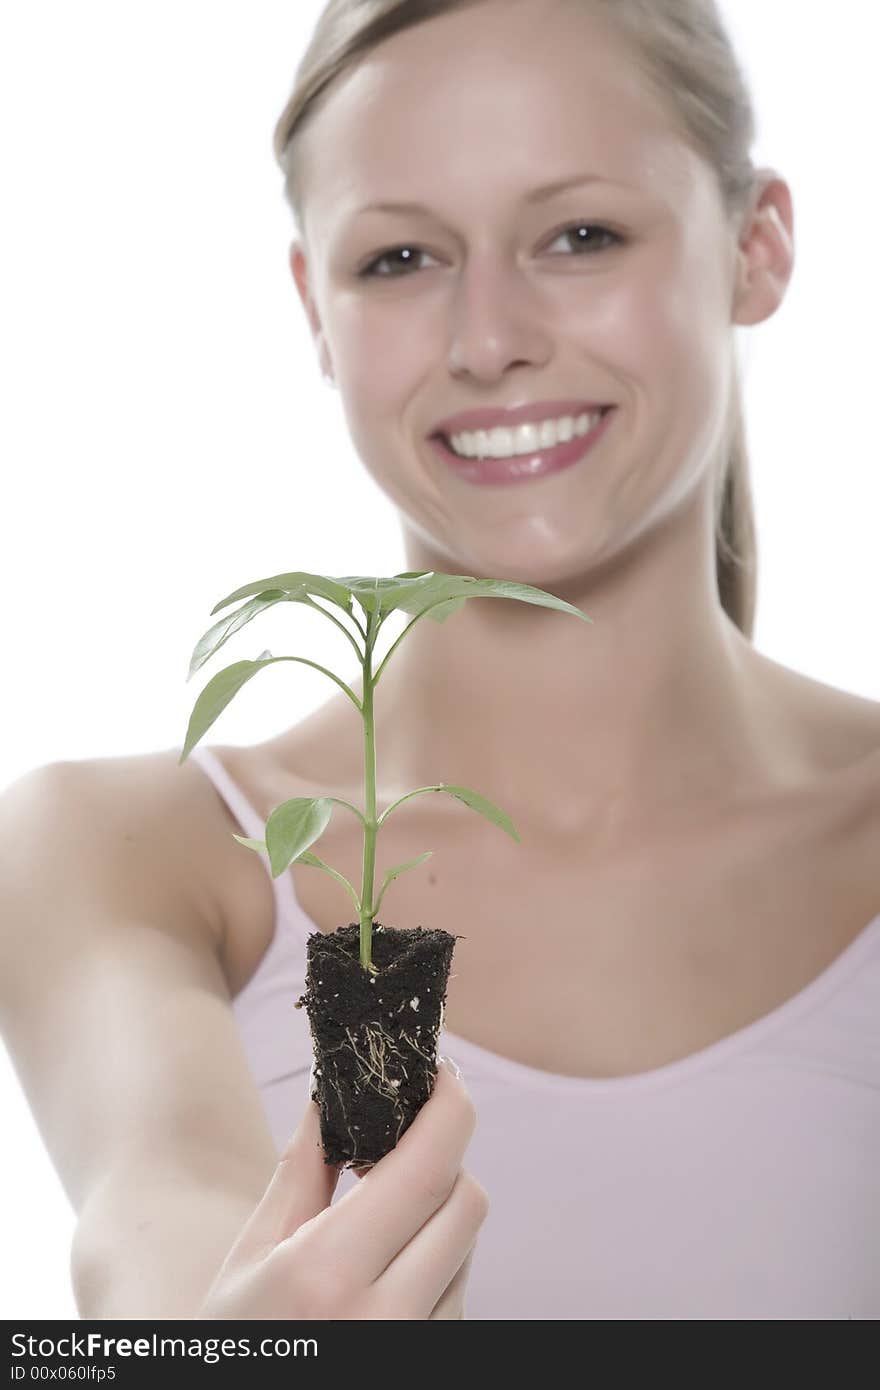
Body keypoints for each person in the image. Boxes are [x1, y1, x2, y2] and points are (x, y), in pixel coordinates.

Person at [2, 0, 879, 1321]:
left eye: (581, 236)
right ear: (313, 302)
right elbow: (159, 1224)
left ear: (756, 247)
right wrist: (242, 1340)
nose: (487, 340)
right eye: (402, 257)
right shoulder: (144, 848)